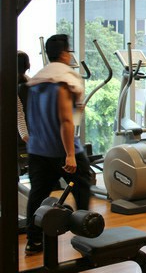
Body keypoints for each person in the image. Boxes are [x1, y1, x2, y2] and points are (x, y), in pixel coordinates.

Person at [25, 34, 92, 255]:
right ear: (64, 54)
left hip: (37, 149)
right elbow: (66, 120)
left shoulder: (36, 81)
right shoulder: (62, 80)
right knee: (82, 186)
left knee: (37, 196)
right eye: (69, 51)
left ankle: (34, 242)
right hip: (61, 149)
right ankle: (86, 233)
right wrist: (70, 154)